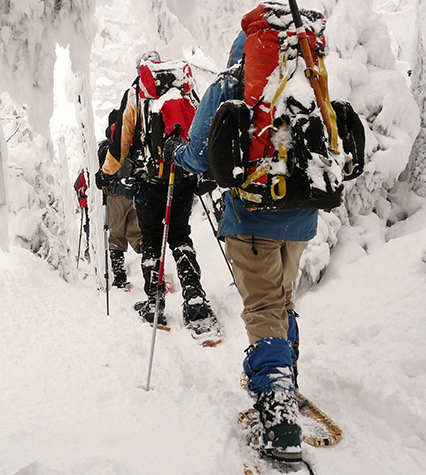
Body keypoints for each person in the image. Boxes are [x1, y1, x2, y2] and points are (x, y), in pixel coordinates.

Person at [166, 31, 312, 461]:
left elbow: (198, 153)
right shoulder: (305, 79)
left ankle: (279, 406)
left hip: (253, 218)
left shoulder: (230, 85)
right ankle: (286, 375)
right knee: (281, 300)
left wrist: (176, 153)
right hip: (303, 218)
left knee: (264, 307)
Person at [98, 50, 220, 344]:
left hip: (152, 179)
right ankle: (194, 300)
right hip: (184, 174)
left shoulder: (137, 93)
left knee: (152, 238)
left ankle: (154, 304)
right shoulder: (183, 86)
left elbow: (121, 141)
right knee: (180, 235)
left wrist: (106, 174)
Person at [96, 139, 142, 291]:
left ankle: (120, 278)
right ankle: (154, 272)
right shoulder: (131, 143)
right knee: (137, 232)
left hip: (115, 196)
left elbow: (100, 177)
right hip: (134, 192)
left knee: (116, 237)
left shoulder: (106, 148)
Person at [74, 170, 90, 263]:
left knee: (89, 224)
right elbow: (78, 189)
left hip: (87, 203)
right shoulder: (84, 172)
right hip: (88, 203)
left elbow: (77, 188)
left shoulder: (83, 172)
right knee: (89, 223)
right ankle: (90, 244)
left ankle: (89, 244)